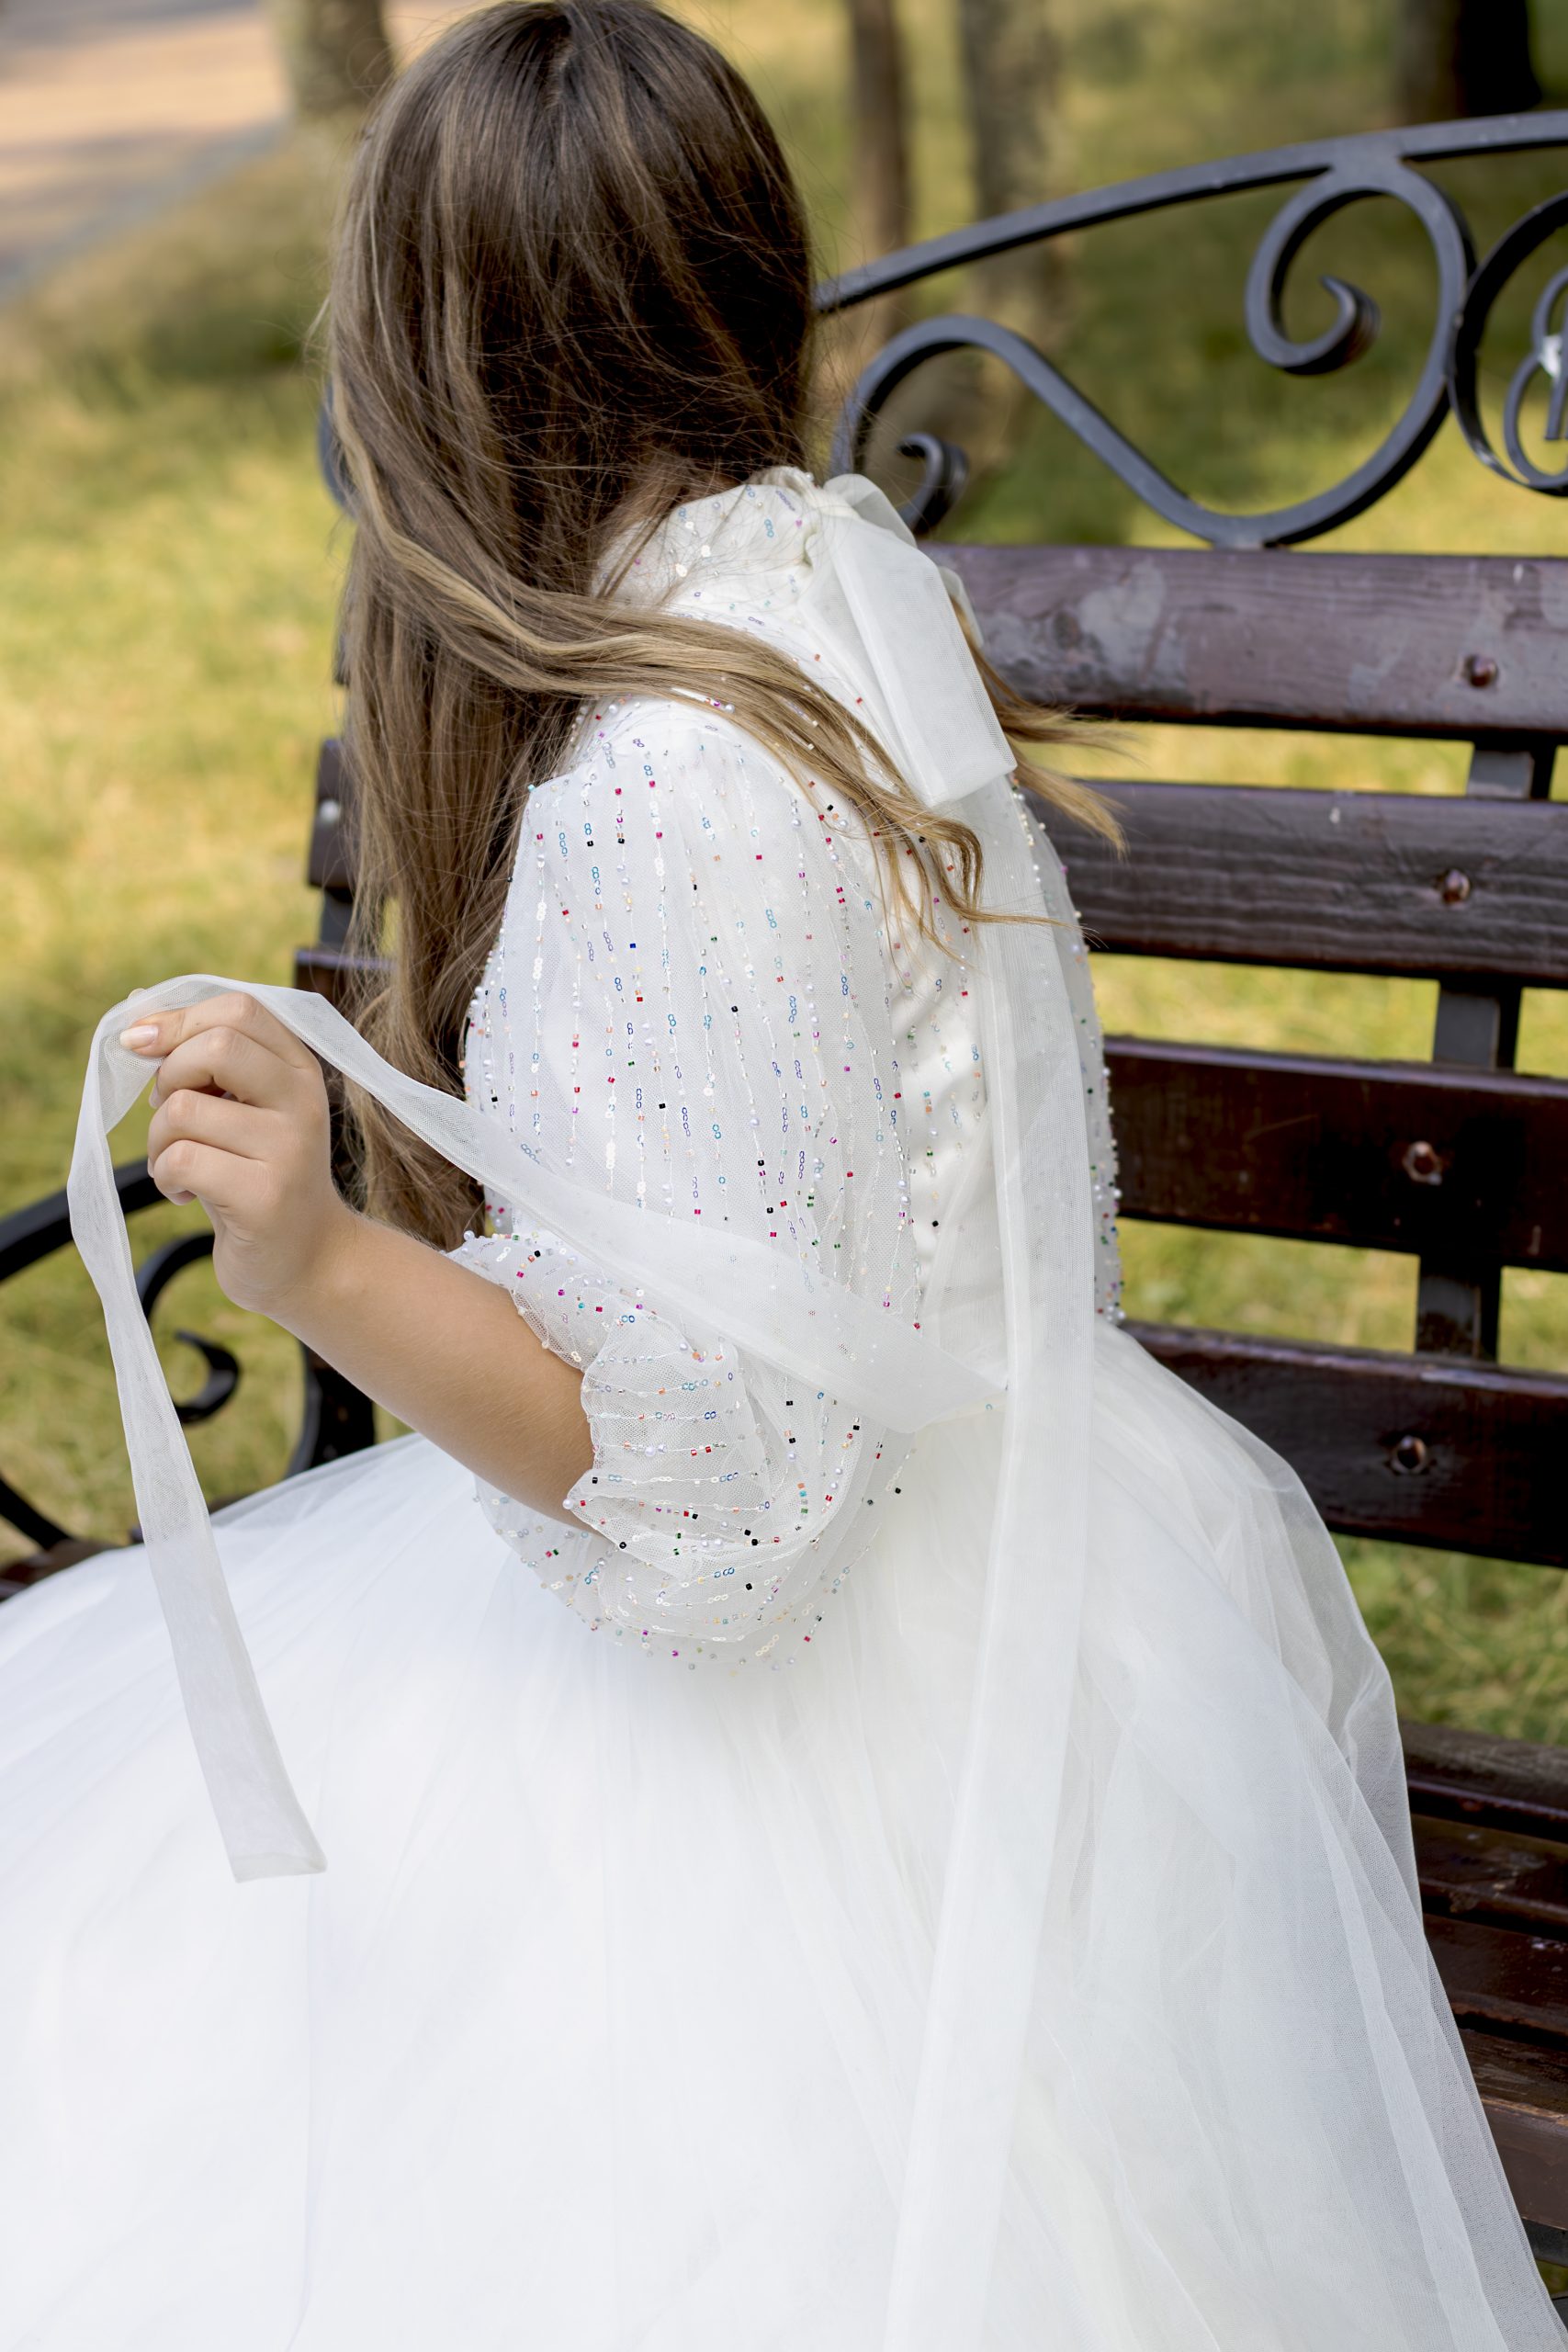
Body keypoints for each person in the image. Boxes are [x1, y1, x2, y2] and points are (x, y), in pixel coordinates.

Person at [0, 6, 1558, 2346]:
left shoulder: (669, 778)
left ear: (434, 368)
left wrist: (313, 1245)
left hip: (804, 1709)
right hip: (1018, 1563)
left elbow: (723, 1513)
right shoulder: (821, 577)